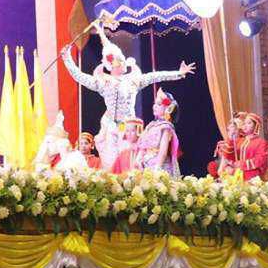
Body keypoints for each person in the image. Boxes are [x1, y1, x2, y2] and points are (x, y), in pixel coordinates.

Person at [62, 27, 193, 174]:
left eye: (122, 60)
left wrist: (178, 73)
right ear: (112, 65)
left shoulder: (133, 80)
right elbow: (80, 76)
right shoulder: (103, 82)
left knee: (128, 162)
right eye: (120, 60)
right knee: (110, 164)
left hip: (128, 128)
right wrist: (67, 59)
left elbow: (156, 76)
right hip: (109, 126)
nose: (123, 62)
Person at [135, 88, 182, 175]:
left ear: (168, 109)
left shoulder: (166, 127)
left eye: (159, 104)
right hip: (146, 165)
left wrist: (157, 168)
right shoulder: (150, 126)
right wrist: (138, 159)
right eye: (154, 103)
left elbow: (163, 151)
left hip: (160, 166)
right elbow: (143, 146)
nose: (155, 106)